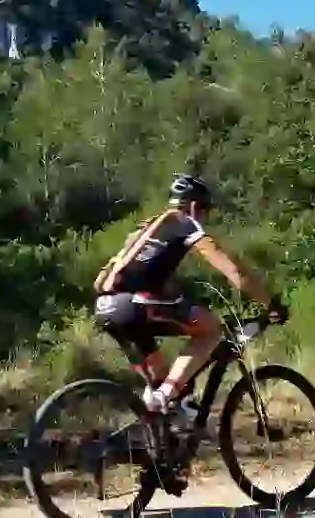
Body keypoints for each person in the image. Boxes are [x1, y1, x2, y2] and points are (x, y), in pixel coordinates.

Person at [92, 173, 288, 429]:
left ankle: (159, 453)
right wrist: (269, 303)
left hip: (105, 308)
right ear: (195, 206)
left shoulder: (145, 229)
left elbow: (100, 281)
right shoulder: (186, 222)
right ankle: (164, 399)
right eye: (205, 211)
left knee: (167, 381)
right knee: (211, 329)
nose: (204, 218)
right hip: (134, 304)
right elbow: (236, 274)